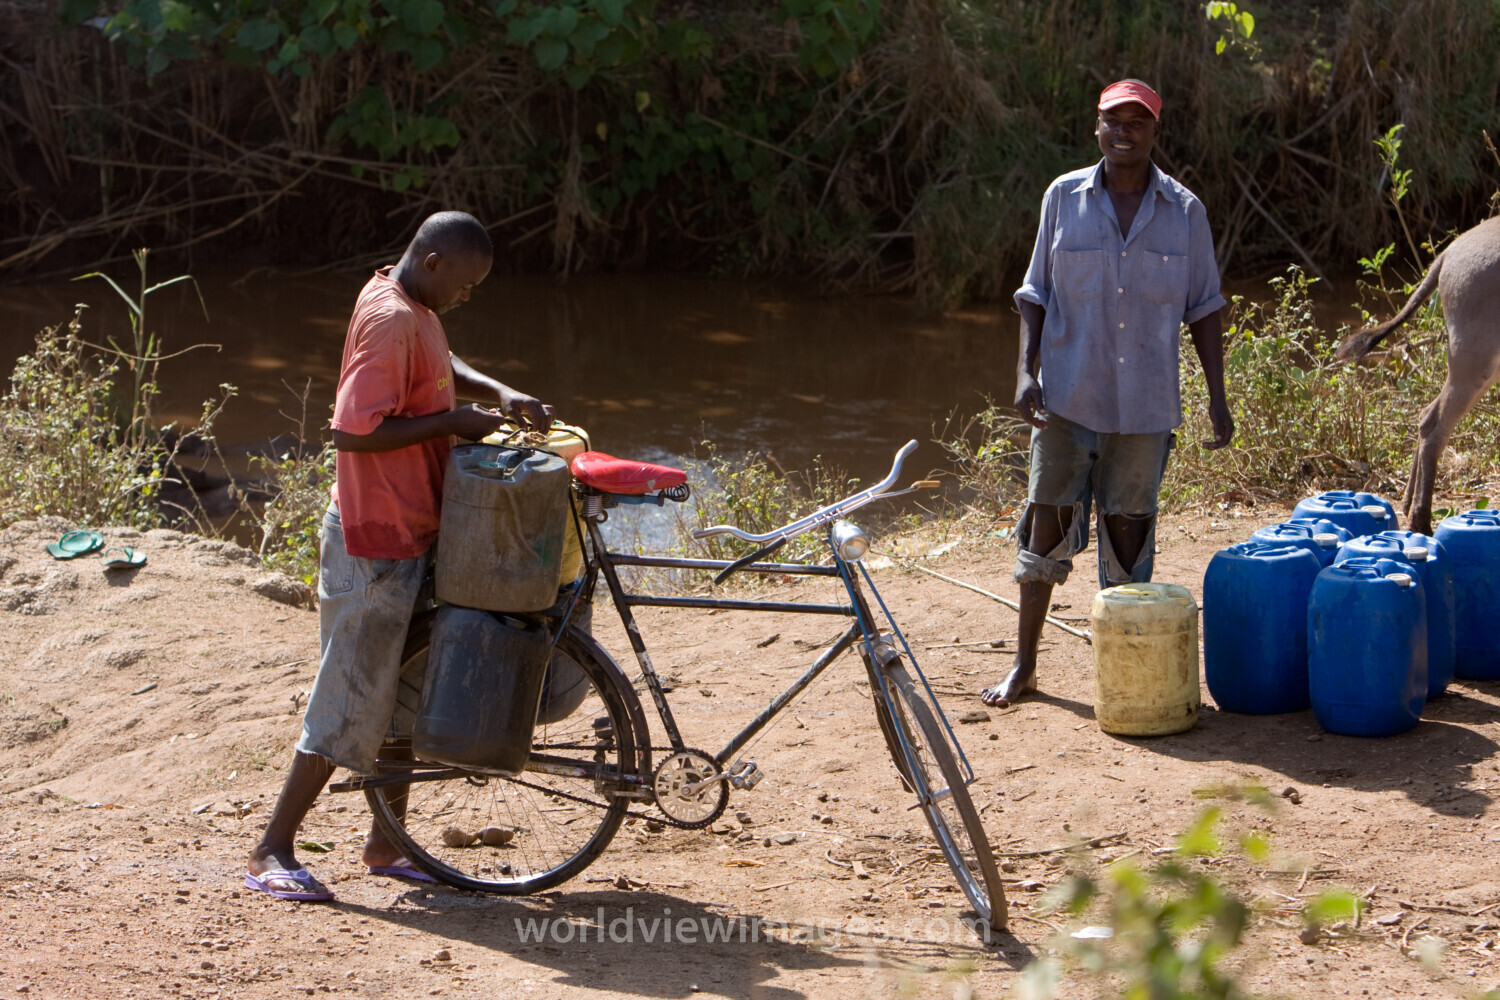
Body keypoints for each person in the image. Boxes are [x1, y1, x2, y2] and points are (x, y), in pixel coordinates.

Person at [246, 211, 553, 900]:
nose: (468, 297)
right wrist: (449, 423)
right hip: (373, 541)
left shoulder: (415, 301)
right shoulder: (389, 318)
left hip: (411, 532)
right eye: (467, 285)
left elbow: (439, 364)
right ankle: (271, 849)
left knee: (403, 692)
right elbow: (353, 434)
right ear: (437, 261)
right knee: (350, 695)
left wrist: (497, 393)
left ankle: (389, 843)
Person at [980, 80, 1233, 708]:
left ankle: (1123, 675)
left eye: (1137, 122)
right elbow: (1034, 295)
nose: (1124, 131)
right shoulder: (1062, 199)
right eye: (1112, 121)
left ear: (1154, 132)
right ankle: (1025, 666)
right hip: (1068, 398)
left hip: (1145, 409)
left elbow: (1204, 309)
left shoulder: (1185, 211)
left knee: (1129, 532)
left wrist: (1218, 397)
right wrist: (1024, 372)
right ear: (1097, 127)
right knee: (1045, 526)